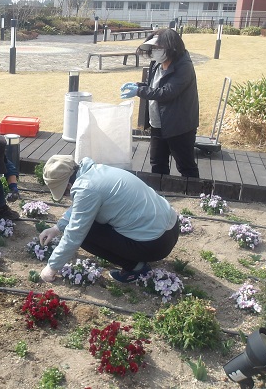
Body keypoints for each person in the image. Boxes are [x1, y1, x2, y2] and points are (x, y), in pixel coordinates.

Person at [38, 155, 179, 284]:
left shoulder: (86, 189)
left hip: (155, 244)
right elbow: (81, 207)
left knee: (86, 234)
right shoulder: (95, 171)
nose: (68, 197)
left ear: (68, 186)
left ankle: (135, 267)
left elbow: (75, 234)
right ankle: (136, 255)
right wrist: (57, 228)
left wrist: (51, 267)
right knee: (90, 221)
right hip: (171, 229)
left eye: (65, 193)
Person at [120, 28, 200, 178]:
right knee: (157, 163)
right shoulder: (157, 63)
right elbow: (154, 86)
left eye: (159, 47)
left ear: (172, 47)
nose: (155, 51)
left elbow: (167, 92)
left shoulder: (184, 66)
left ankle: (194, 197)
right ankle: (160, 195)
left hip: (179, 126)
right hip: (157, 123)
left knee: (185, 166)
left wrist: (139, 91)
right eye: (154, 48)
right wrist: (140, 85)